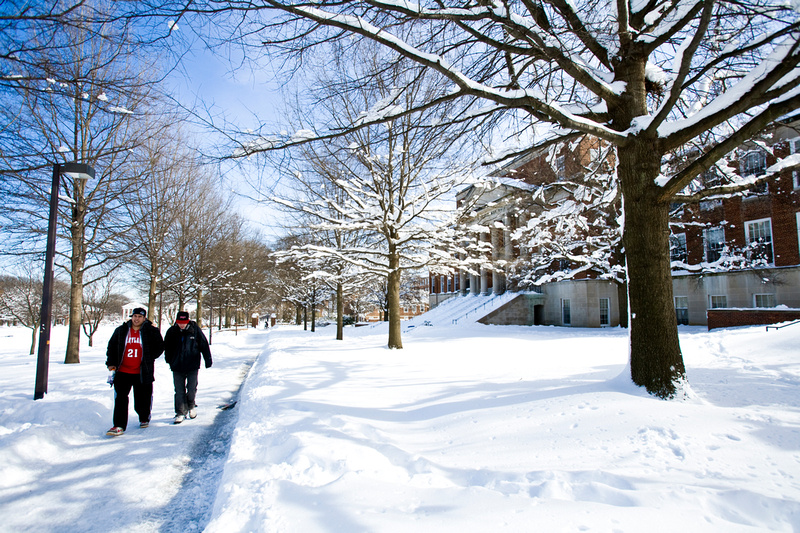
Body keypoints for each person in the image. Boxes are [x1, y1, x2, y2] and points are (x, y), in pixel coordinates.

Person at [105, 307, 165, 436]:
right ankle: (119, 425)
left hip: (142, 372)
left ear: (144, 318)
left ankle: (144, 417)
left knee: (142, 399)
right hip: (123, 371)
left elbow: (160, 346)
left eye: (139, 316)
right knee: (120, 398)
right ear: (131, 317)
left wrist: (149, 357)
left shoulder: (151, 331)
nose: (136, 319)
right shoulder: (121, 331)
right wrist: (111, 363)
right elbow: (112, 347)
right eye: (135, 316)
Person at [163, 310, 212, 424]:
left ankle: (191, 405)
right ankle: (180, 412)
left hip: (192, 365)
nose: (182, 324)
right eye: (179, 322)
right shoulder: (172, 331)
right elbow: (167, 347)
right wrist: (169, 360)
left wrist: (207, 359)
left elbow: (203, 344)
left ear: (188, 321)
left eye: (184, 322)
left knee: (191, 388)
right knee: (179, 390)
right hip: (177, 366)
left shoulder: (195, 331)